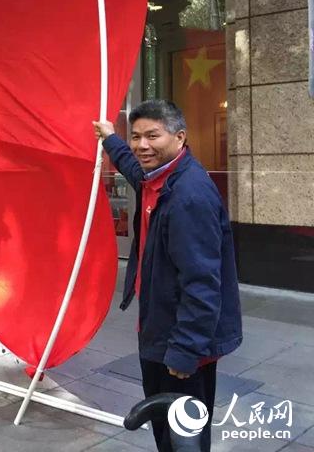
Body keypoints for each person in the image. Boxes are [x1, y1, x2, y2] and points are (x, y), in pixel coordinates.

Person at [93, 100, 242, 452]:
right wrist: (110, 138)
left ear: (179, 137)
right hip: (160, 328)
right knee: (165, 428)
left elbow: (202, 283)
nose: (142, 145)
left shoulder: (188, 196)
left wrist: (185, 351)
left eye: (153, 136)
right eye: (136, 136)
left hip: (180, 341)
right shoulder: (158, 177)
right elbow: (133, 167)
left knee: (183, 434)